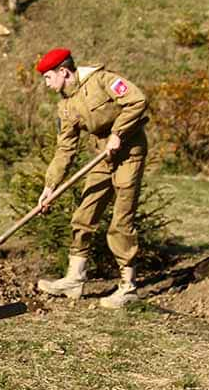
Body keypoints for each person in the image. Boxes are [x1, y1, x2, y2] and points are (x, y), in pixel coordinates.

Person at [33, 47, 149, 309]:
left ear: (64, 72)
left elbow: (137, 100)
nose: (47, 83)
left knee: (121, 221)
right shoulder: (66, 104)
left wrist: (118, 133)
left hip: (129, 153)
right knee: (83, 215)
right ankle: (75, 279)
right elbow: (65, 149)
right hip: (102, 158)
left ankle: (128, 286)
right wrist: (50, 186)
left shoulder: (103, 80)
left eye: (48, 77)